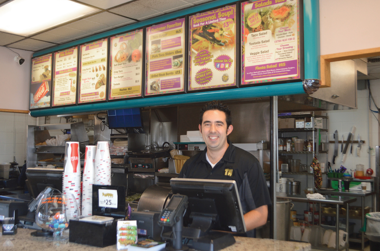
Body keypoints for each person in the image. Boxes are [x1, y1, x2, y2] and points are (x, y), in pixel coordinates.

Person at [178, 100, 271, 237]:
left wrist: (226, 229)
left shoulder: (248, 164)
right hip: (196, 242)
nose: (212, 130)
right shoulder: (190, 165)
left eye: (219, 124)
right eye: (207, 124)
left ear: (229, 129)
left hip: (235, 244)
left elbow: (261, 214)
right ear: (200, 129)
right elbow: (180, 206)